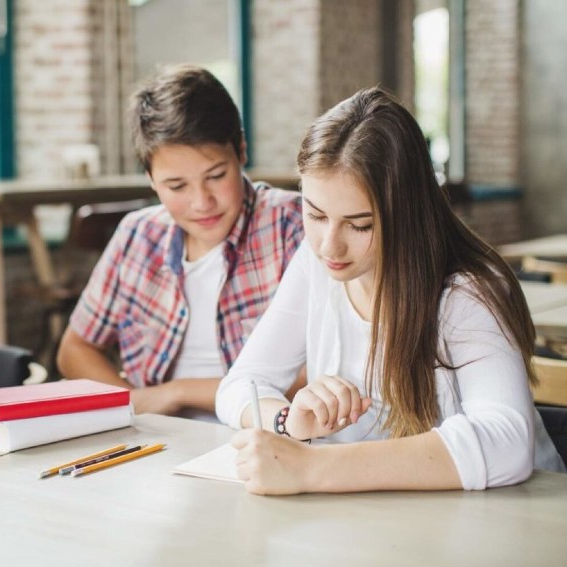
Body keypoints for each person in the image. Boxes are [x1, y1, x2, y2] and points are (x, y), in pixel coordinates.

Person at [216, 86, 566, 494]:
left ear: (407, 213)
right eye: (314, 215)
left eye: (359, 224)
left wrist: (312, 468)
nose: (330, 245)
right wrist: (289, 421)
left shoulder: (469, 290)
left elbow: (505, 442)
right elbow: (241, 386)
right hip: (388, 520)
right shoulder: (315, 264)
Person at [56, 64, 304, 420]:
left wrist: (178, 392)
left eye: (216, 176)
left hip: (261, 437)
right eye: (176, 186)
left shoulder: (293, 226)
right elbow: (74, 349)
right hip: (159, 443)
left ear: (242, 152)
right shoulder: (138, 235)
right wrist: (134, 405)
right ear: (151, 180)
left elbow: (324, 370)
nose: (201, 202)